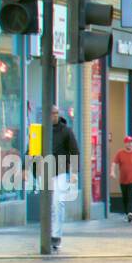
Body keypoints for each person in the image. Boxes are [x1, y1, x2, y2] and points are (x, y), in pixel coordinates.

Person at [49, 105, 79, 250]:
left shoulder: (66, 131)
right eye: (51, 113)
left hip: (61, 171)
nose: (54, 115)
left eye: (56, 113)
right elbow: (32, 149)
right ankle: (49, 232)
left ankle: (56, 235)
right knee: (49, 205)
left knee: (58, 202)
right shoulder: (42, 130)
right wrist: (25, 167)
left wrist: (74, 172)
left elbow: (75, 151)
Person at [111, 135, 132, 223]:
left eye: (131, 142)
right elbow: (114, 163)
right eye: (127, 143)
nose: (129, 144)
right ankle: (127, 213)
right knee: (125, 197)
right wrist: (112, 172)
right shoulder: (120, 153)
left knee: (131, 196)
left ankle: (130, 213)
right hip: (123, 180)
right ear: (125, 144)